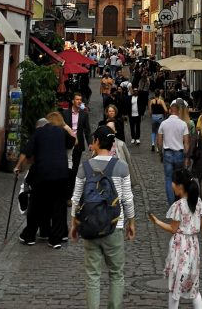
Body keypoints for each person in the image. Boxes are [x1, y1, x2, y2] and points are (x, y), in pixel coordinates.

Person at [71, 128, 136, 309]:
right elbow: (127, 198)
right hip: (115, 226)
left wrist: (74, 223)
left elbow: (76, 198)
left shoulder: (85, 167)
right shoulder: (121, 166)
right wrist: (131, 221)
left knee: (93, 275)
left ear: (97, 142)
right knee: (116, 273)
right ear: (113, 144)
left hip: (90, 226)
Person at [149, 167, 202, 309]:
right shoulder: (197, 203)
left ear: (180, 186)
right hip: (194, 245)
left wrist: (157, 222)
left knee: (175, 285)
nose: (171, 184)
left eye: (173, 182)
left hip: (180, 248)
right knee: (194, 286)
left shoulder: (178, 206)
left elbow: (173, 229)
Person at [14, 110, 76, 248]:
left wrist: (18, 166)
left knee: (36, 206)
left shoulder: (38, 133)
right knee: (59, 207)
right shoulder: (61, 132)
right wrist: (65, 126)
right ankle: (55, 240)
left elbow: (26, 151)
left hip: (42, 174)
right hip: (61, 174)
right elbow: (73, 141)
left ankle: (29, 236)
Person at [157, 102, 190, 205]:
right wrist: (186, 156)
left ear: (170, 111)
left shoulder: (164, 123)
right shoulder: (183, 124)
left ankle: (172, 204)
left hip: (168, 153)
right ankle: (179, 201)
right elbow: (187, 142)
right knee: (179, 179)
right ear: (179, 112)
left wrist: (161, 153)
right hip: (179, 153)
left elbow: (159, 141)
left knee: (168, 179)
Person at [63, 91, 92, 182]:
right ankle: (67, 181)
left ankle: (71, 184)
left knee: (75, 167)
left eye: (80, 100)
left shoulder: (84, 114)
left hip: (78, 144)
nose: (79, 101)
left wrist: (90, 143)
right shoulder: (65, 113)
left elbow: (87, 130)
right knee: (66, 165)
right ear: (72, 101)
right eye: (77, 99)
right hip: (67, 143)